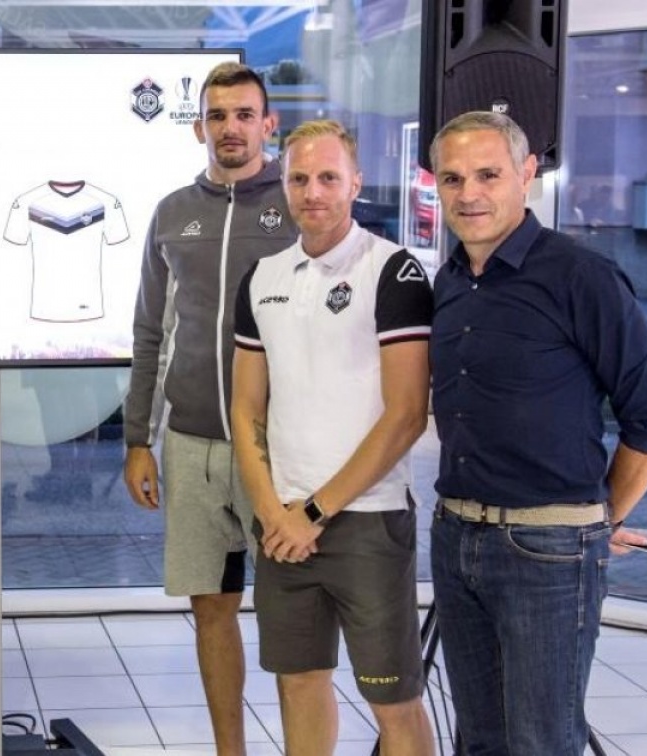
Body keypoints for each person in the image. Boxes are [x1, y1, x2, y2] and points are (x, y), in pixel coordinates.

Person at [427, 111, 647, 754]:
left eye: (488, 174)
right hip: (455, 537)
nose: (469, 193)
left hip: (548, 551)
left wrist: (599, 522)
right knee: (479, 739)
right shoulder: (450, 279)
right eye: (453, 178)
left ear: (527, 173)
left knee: (542, 741)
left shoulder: (581, 277)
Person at [230, 119, 435, 755]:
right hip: (283, 523)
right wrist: (272, 511)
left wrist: (314, 512)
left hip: (367, 521)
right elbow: (245, 408)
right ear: (283, 185)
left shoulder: (392, 270)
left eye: (327, 177)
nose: (312, 191)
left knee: (394, 702)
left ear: (355, 183)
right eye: (299, 178)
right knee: (298, 683)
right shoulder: (262, 277)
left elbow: (407, 414)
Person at [123, 61, 296, 753]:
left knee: (291, 616)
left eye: (244, 115)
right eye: (218, 116)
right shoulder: (172, 213)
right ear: (199, 127)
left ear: (268, 123)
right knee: (212, 611)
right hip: (192, 445)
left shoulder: (299, 204)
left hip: (280, 448)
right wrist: (138, 439)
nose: (231, 128)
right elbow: (149, 331)